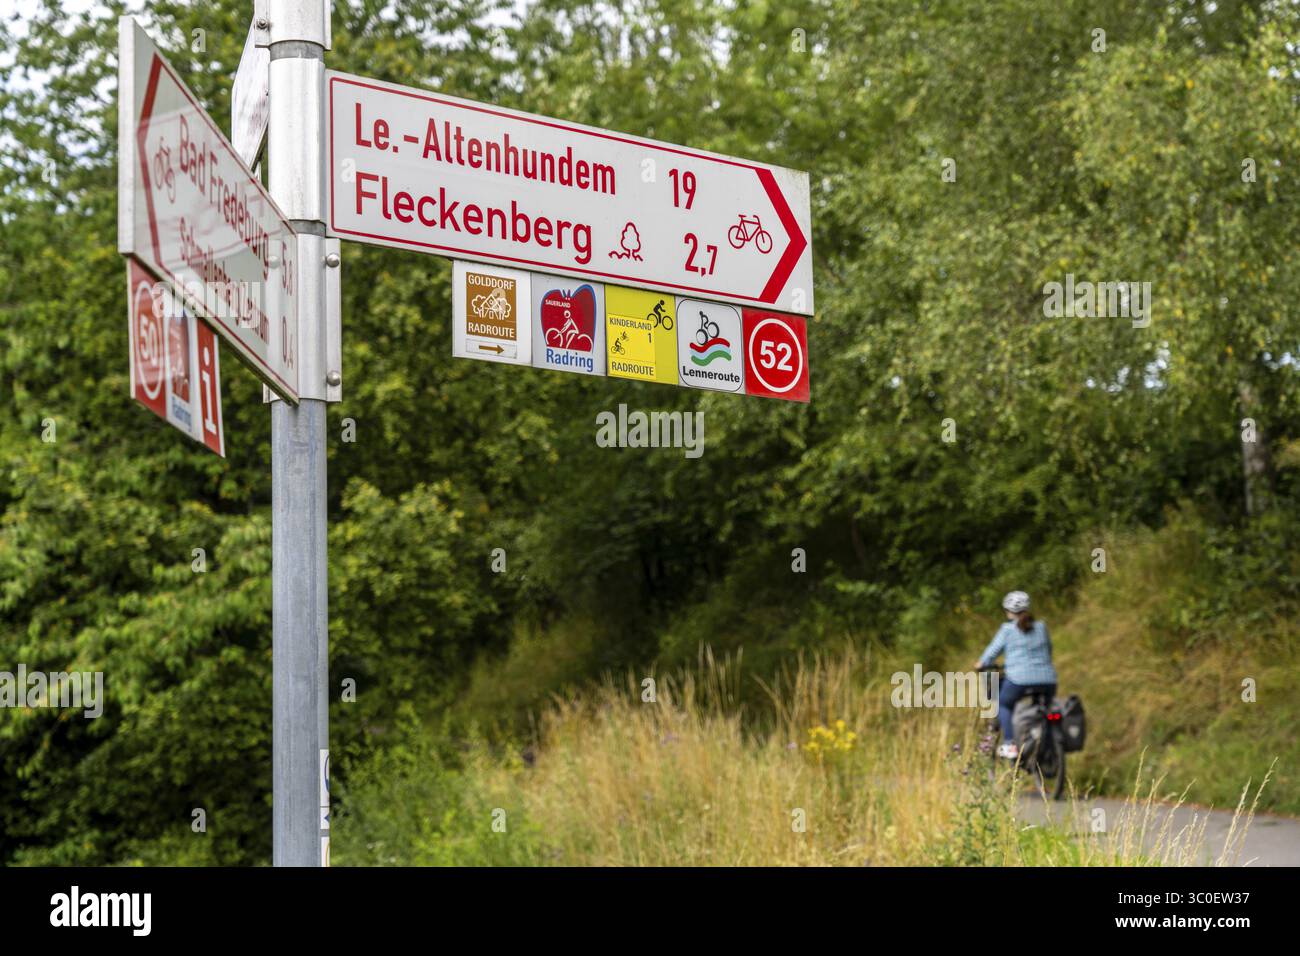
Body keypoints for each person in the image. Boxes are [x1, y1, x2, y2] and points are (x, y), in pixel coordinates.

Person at [974, 591, 1057, 759]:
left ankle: (1009, 744)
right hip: (1048, 680)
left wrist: (980, 664)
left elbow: (992, 652)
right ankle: (1048, 739)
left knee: (1003, 703)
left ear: (1009, 611)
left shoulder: (1007, 630)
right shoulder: (1041, 627)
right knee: (1047, 710)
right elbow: (1049, 649)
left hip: (1019, 680)